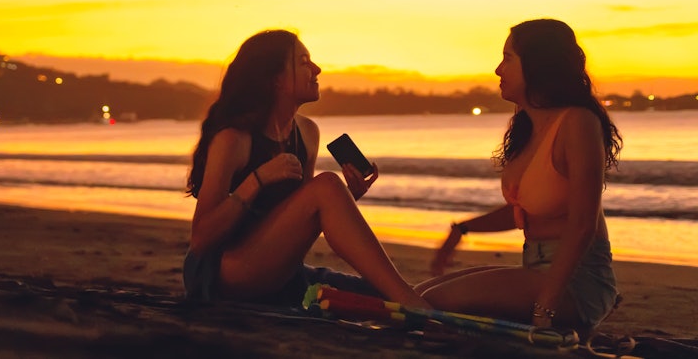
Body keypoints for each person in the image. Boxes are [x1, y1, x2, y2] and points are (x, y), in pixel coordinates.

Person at [183, 29, 428, 309]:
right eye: (303, 62)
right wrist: (257, 181)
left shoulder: (307, 133)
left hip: (281, 274)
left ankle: (418, 300)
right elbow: (201, 241)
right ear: (275, 80)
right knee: (326, 186)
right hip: (223, 274)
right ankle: (415, 306)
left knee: (385, 292)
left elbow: (297, 221)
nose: (317, 69)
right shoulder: (234, 140)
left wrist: (346, 199)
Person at [415, 19, 622, 331]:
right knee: (417, 295)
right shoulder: (528, 125)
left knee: (433, 303)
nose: (498, 70)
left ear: (538, 64)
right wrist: (462, 230)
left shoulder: (578, 124)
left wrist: (545, 308)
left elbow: (582, 225)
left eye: (508, 58)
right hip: (538, 270)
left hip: (577, 282)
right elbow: (526, 211)